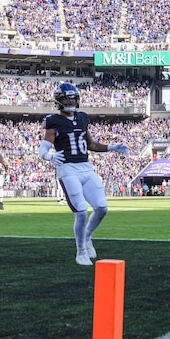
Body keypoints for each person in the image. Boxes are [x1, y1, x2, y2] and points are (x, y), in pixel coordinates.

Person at [39, 82, 131, 265]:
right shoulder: (53, 121)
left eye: (73, 97)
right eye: (67, 98)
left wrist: (113, 147)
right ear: (59, 101)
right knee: (81, 211)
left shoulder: (82, 118)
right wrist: (49, 157)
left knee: (102, 207)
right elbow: (42, 150)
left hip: (86, 167)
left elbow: (92, 145)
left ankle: (87, 236)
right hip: (68, 170)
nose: (71, 101)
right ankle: (80, 251)